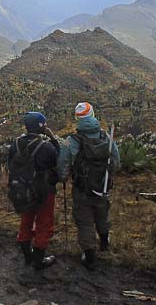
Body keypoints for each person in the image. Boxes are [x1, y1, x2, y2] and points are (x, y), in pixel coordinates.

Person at [57, 102, 120, 271]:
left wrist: (63, 179)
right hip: (103, 185)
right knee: (102, 213)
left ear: (77, 119)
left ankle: (90, 255)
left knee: (84, 220)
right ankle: (105, 242)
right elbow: (116, 160)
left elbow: (63, 165)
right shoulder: (106, 136)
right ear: (93, 115)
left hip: (82, 189)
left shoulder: (71, 141)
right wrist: (107, 175)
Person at [8, 111, 61, 270]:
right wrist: (53, 138)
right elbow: (56, 158)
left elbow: (10, 164)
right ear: (41, 126)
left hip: (22, 189)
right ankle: (39, 259)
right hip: (43, 191)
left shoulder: (16, 143)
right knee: (44, 223)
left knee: (26, 218)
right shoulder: (45, 146)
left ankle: (27, 253)